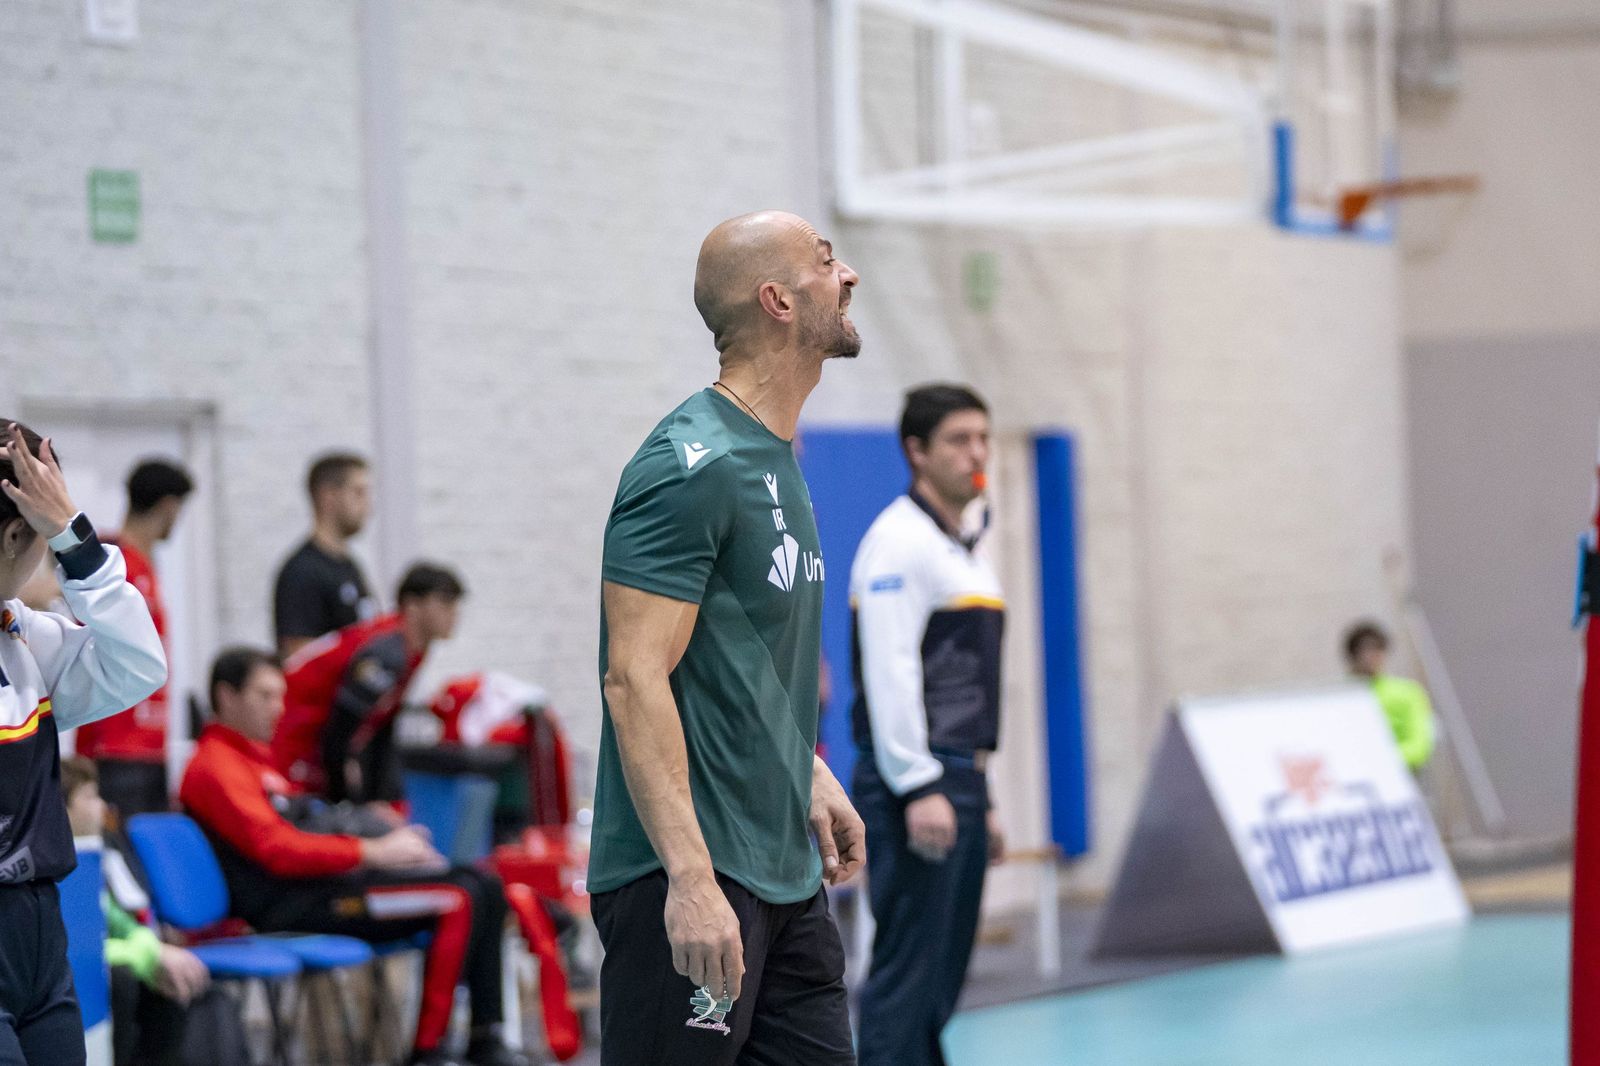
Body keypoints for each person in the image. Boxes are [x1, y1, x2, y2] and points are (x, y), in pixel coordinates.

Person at [590, 211, 866, 1066]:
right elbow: (634, 678)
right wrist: (690, 881)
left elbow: (739, 655)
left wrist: (804, 768)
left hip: (782, 871)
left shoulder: (773, 456)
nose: (849, 274)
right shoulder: (688, 466)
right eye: (827, 262)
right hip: (696, 879)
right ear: (779, 300)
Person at [180, 647, 526, 1066]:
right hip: (288, 906)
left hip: (323, 888)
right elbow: (276, 850)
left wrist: (375, 829)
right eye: (264, 696)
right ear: (226, 696)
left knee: (483, 882)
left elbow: (309, 825)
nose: (278, 709)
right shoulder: (216, 766)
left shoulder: (258, 762)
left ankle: (485, 1038)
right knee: (458, 895)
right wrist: (372, 851)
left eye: (280, 696)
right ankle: (428, 1053)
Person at [848, 384, 1007, 1066]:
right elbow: (891, 675)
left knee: (941, 978)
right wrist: (918, 784)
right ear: (916, 451)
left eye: (983, 438)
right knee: (908, 975)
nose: (976, 453)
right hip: (917, 782)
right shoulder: (898, 544)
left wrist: (984, 793)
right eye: (959, 440)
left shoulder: (965, 549)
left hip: (961, 778)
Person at [0, 421, 167, 1066]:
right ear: (19, 532)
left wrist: (75, 539)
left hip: (41, 935)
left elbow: (137, 665)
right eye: (45, 531)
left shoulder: (26, 637)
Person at [60, 757, 233, 1066]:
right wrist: (149, 955)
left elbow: (118, 921)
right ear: (62, 808)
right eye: (89, 796)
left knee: (169, 983)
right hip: (74, 972)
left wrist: (155, 951)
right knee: (123, 979)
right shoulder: (53, 870)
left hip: (115, 957)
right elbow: (77, 948)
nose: (101, 806)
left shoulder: (97, 856)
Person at [272, 562, 464, 804]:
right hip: (290, 739)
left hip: (311, 742)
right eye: (444, 603)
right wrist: (350, 804)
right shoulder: (388, 651)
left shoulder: (411, 649)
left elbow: (379, 725)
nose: (454, 613)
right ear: (412, 606)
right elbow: (340, 731)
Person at [75, 459, 194, 819]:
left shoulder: (143, 564)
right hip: (113, 744)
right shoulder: (111, 564)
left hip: (148, 743)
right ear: (169, 507)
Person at [273, 452, 377, 658]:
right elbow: (300, 657)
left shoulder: (349, 565)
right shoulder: (302, 572)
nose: (368, 506)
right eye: (358, 493)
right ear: (328, 496)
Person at [1345, 620, 1437, 771]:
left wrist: (1378, 760)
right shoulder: (1342, 698)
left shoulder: (1408, 692)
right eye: (1362, 650)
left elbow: (1419, 746)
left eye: (1375, 649)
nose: (1368, 657)